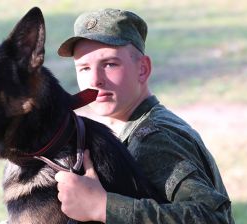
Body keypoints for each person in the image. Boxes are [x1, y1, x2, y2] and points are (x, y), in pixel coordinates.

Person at [54, 8, 235, 223]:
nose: (95, 80)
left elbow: (212, 218)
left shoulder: (154, 138)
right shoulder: (135, 128)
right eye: (84, 68)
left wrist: (101, 206)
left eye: (110, 64)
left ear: (143, 69)